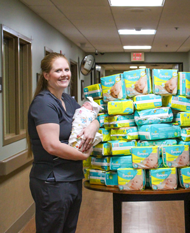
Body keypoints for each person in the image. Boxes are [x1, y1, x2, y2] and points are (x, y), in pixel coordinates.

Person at [27, 53, 100, 233]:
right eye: (58, 70)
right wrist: (84, 155)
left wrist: (92, 127)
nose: (64, 74)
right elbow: (52, 146)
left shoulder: (67, 100)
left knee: (68, 229)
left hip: (72, 177)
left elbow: (92, 117)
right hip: (53, 182)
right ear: (46, 75)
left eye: (66, 69)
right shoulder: (44, 103)